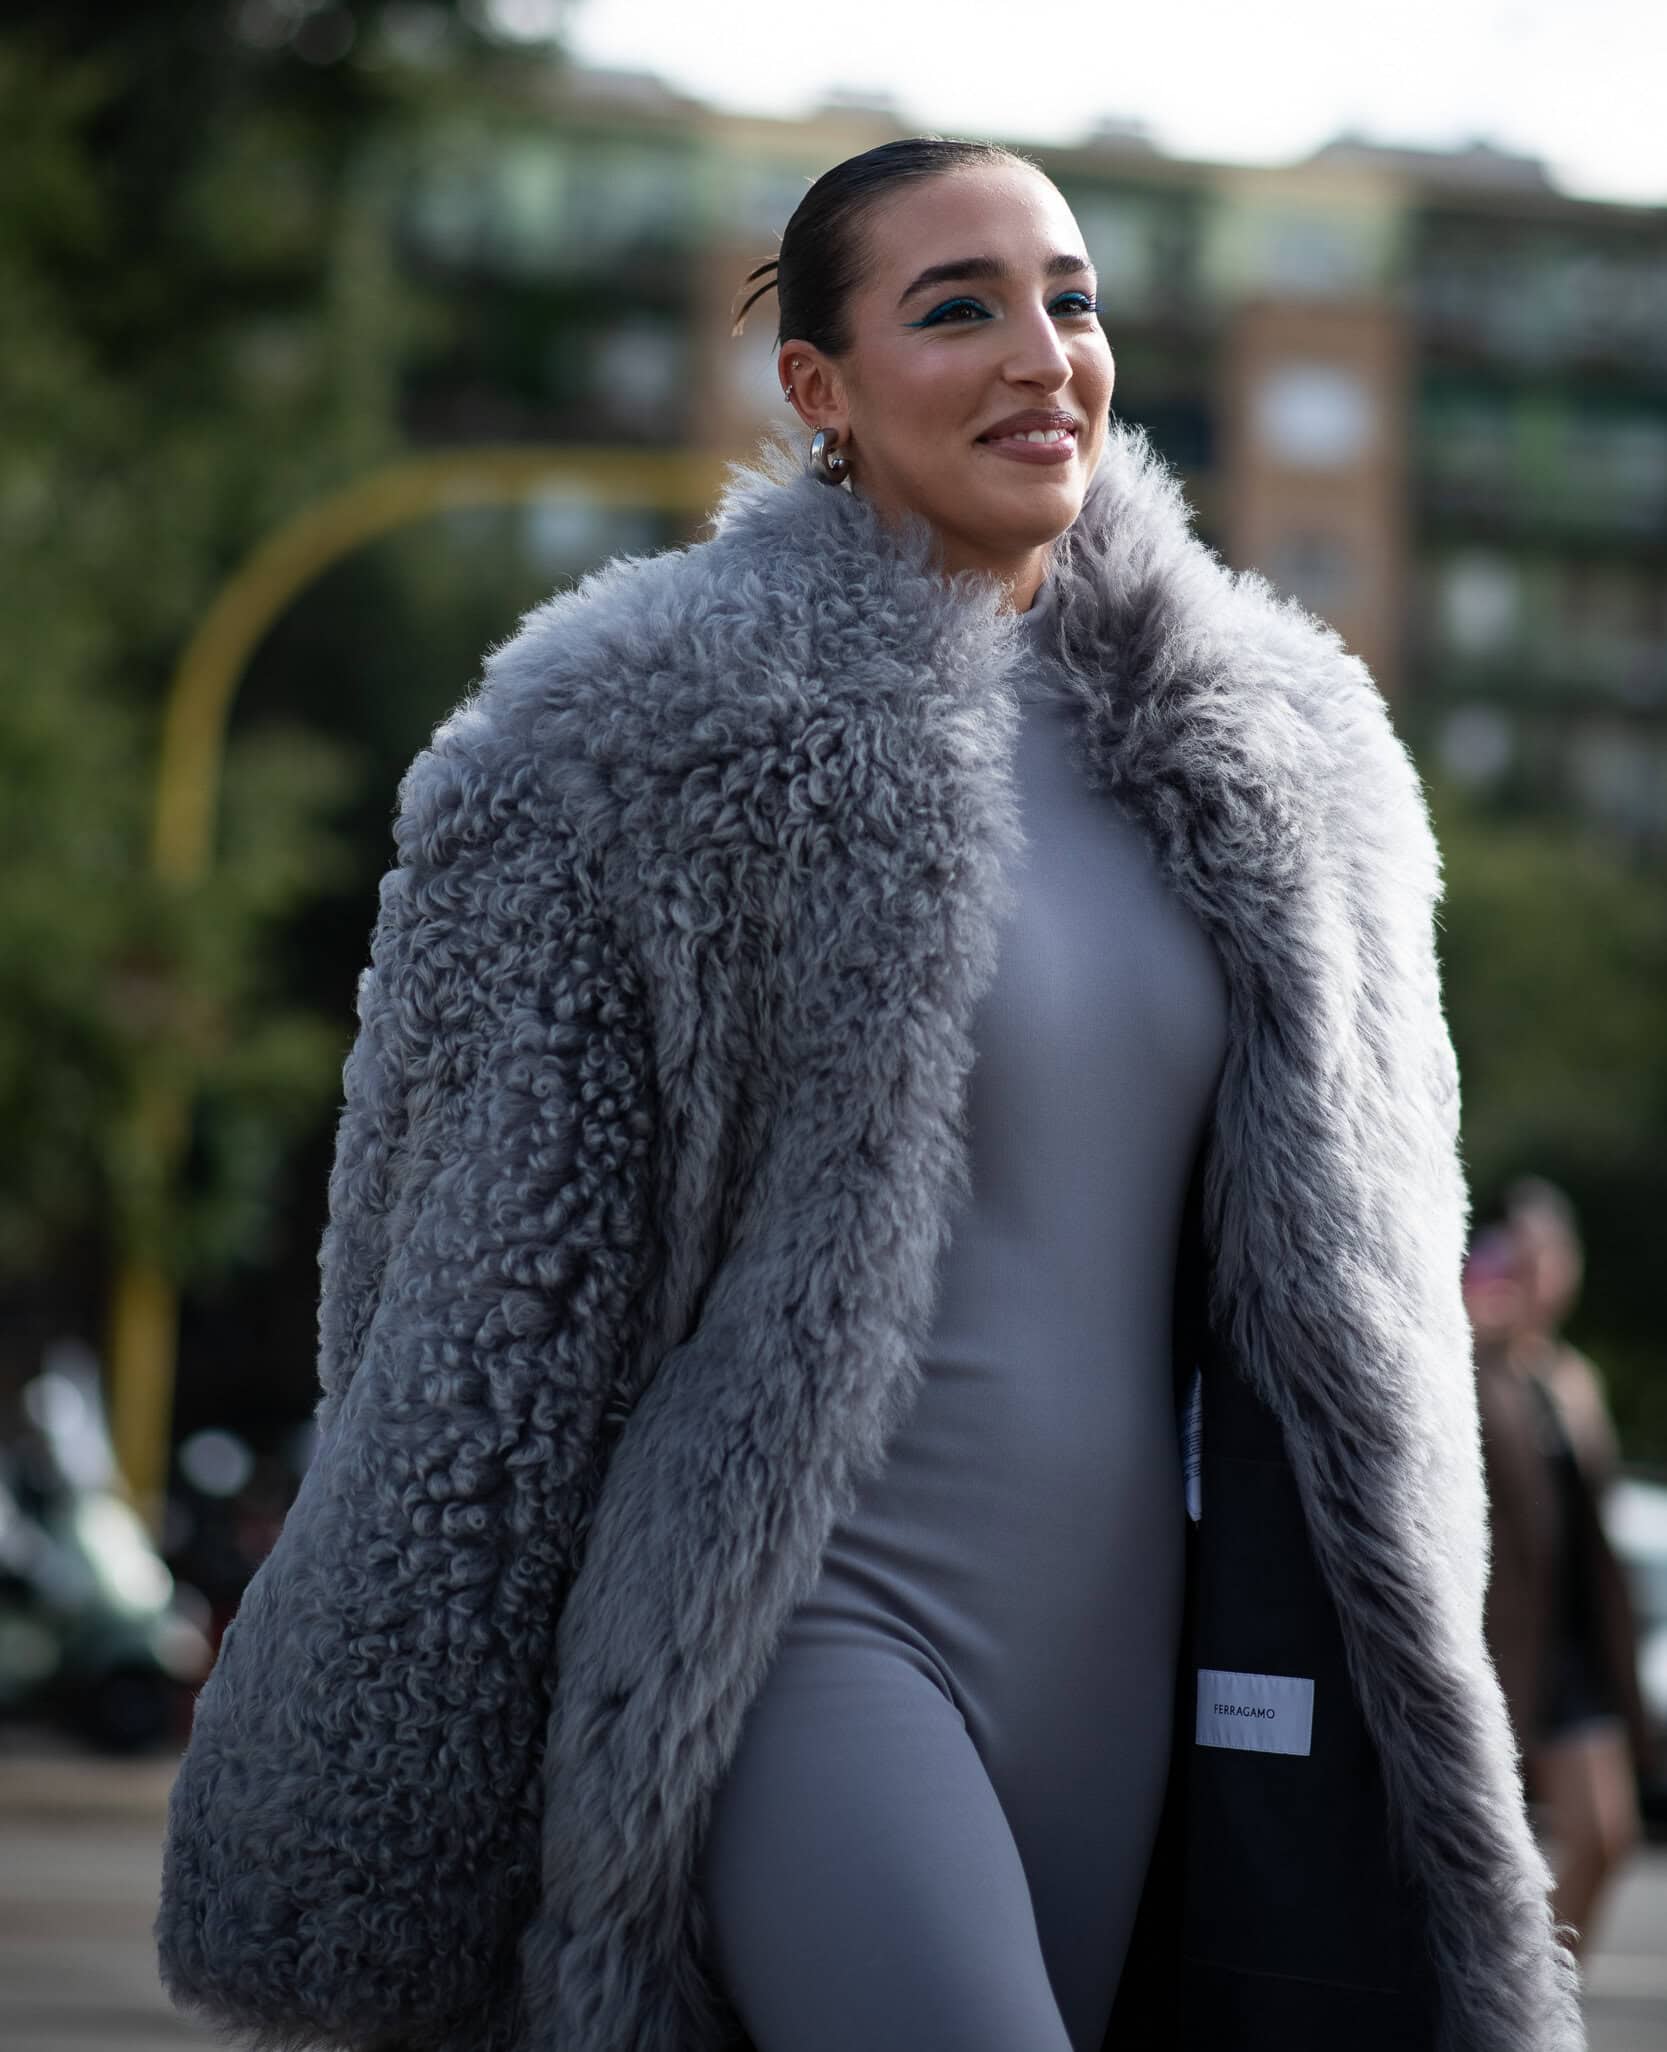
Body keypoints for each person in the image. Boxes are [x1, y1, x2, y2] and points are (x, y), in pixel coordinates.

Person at [154, 137, 1582, 2052]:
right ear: (815, 386)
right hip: (793, 1635)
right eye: (957, 308)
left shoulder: (1291, 767)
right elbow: (476, 1313)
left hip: (1134, 1658)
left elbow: (1371, 1334)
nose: (1040, 355)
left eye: (1068, 300)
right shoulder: (625, 746)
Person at [1504, 1179, 1646, 1953]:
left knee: (1607, 1837)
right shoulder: (1477, 1368)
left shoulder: (1572, 1377)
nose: (1538, 1275)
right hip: (1509, 1642)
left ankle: (1540, 1988)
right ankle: (1507, 1993)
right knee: (1500, 1852)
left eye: (1550, 1257)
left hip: (1576, 1640)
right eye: (1522, 1258)